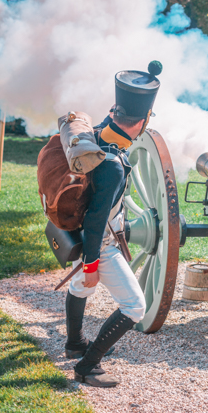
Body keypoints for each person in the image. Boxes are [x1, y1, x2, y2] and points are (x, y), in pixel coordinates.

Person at [64, 62, 161, 388]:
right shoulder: (113, 167)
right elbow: (95, 222)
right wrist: (91, 263)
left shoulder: (100, 133)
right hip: (99, 243)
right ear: (143, 122)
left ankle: (74, 342)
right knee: (135, 306)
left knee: (79, 286)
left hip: (79, 234)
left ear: (113, 112)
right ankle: (87, 365)